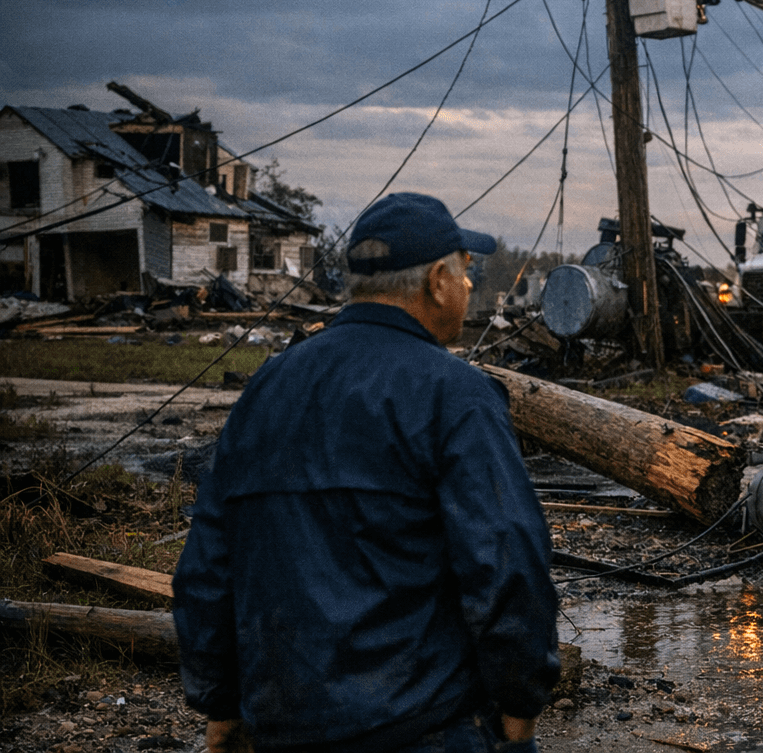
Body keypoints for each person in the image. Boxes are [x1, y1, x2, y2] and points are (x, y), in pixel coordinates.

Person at [173, 192, 560, 753]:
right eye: (465, 273)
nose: (470, 287)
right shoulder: (455, 394)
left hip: (284, 726)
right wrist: (521, 703)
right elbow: (507, 562)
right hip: (422, 727)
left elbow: (208, 561)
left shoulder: (269, 387)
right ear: (436, 281)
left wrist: (220, 702)